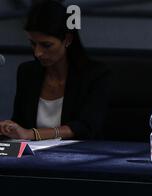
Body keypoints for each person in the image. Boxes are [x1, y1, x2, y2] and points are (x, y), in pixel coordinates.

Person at [0, 0, 110, 141]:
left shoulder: (95, 75)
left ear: (67, 40)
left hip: (79, 155)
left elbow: (86, 127)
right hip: (32, 157)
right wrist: (9, 129)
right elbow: (20, 123)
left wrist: (32, 134)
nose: (38, 52)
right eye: (33, 44)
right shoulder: (27, 72)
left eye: (46, 45)